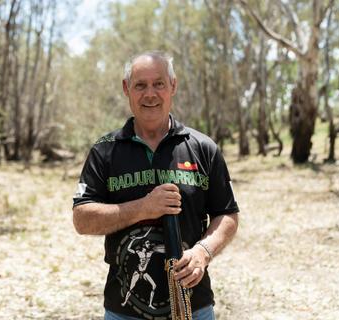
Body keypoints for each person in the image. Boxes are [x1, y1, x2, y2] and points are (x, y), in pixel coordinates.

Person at [72, 51, 239, 320]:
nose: (150, 93)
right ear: (127, 89)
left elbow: (227, 213)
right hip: (123, 311)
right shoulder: (105, 151)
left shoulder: (203, 148)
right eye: (140, 85)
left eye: (159, 83)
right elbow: (82, 219)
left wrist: (203, 252)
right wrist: (143, 208)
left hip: (193, 307)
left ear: (173, 86)